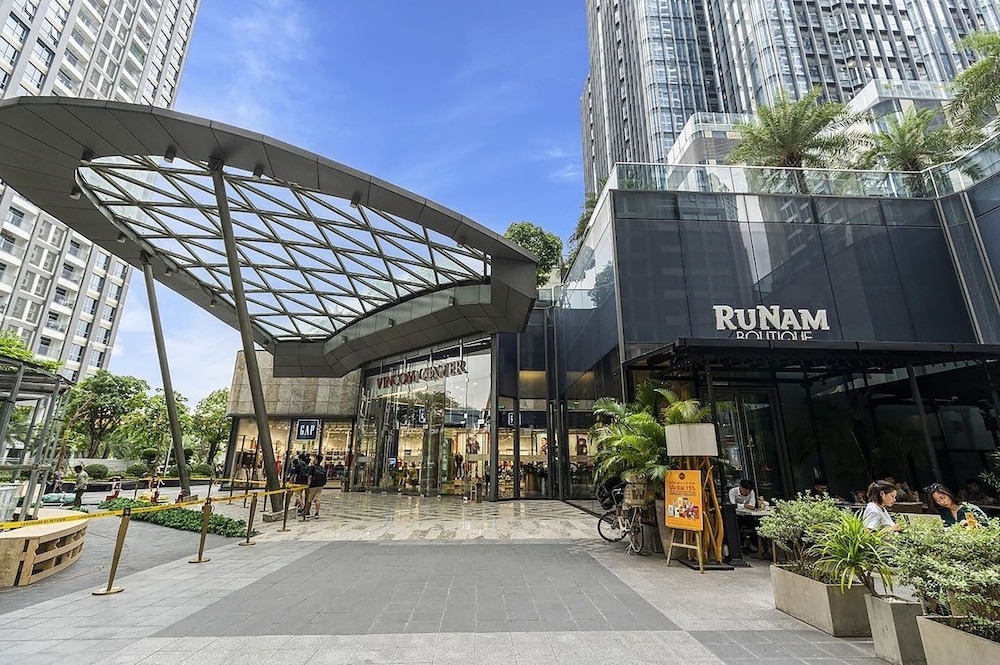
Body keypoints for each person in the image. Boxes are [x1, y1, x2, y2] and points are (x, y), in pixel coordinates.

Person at [304, 453, 327, 519]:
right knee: (317, 499)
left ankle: (307, 512)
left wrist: (308, 484)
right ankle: (316, 513)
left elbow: (310, 476)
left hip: (312, 485)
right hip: (320, 485)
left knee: (309, 499)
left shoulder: (312, 467)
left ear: (316, 460)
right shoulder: (322, 468)